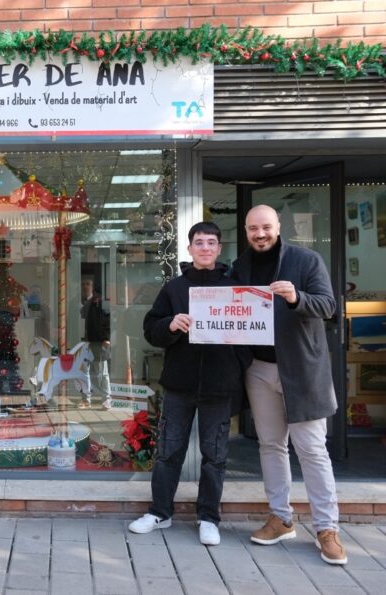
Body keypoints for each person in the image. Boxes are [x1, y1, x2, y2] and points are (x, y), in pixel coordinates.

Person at [232, 204, 346, 565]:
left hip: (303, 370)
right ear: (247, 231)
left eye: (266, 227)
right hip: (260, 369)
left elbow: (328, 305)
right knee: (270, 446)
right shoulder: (241, 266)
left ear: (278, 227)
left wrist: (296, 298)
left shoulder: (306, 260)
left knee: (312, 450)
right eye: (253, 228)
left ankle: (327, 529)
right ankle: (281, 518)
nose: (260, 234)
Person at [130, 221, 251, 546]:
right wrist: (170, 324)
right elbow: (151, 330)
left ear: (219, 248)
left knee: (215, 456)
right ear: (190, 248)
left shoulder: (234, 288)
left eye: (211, 242)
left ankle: (209, 517)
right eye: (199, 242)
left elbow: (251, 335)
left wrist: (236, 366)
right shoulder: (174, 289)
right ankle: (160, 513)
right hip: (179, 385)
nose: (206, 248)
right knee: (169, 452)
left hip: (219, 386)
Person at [80, 276, 110, 407]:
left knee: (101, 372)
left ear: (93, 287)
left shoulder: (99, 301)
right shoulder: (76, 301)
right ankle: (86, 399)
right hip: (83, 342)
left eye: (88, 284)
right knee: (83, 372)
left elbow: (107, 319)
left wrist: (106, 338)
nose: (85, 286)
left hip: (98, 341)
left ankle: (106, 398)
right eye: (83, 284)